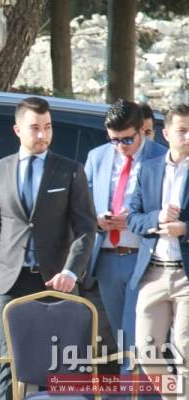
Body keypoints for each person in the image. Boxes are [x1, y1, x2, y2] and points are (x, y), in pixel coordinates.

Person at [0, 97, 96, 400]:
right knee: (10, 362)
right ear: (17, 130)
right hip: (9, 283)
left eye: (48, 127)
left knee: (61, 364)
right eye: (35, 128)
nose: (42, 135)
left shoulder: (70, 170)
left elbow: (85, 228)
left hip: (56, 282)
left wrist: (71, 271)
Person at [84, 99, 167, 350]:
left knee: (137, 337)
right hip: (107, 258)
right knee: (121, 337)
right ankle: (130, 376)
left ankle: (133, 378)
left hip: (144, 258)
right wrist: (98, 220)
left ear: (142, 130)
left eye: (127, 139)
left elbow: (170, 210)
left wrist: (133, 220)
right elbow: (81, 205)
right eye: (114, 140)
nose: (120, 146)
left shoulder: (161, 157)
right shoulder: (97, 157)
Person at [127, 103, 189, 399]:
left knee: (185, 349)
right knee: (146, 351)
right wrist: (158, 218)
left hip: (186, 275)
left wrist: (184, 228)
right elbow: (133, 219)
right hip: (153, 272)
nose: (188, 137)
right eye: (182, 131)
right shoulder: (149, 169)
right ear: (166, 134)